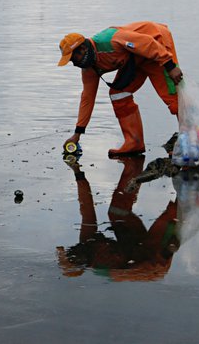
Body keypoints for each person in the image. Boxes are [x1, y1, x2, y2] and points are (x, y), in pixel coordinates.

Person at [57, 22, 183, 156]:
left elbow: (147, 42)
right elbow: (87, 99)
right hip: (135, 58)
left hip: (156, 44)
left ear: (82, 49)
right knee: (118, 95)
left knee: (174, 99)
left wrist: (170, 66)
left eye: (73, 58)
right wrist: (77, 134)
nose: (74, 63)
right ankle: (134, 142)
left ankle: (191, 143)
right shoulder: (89, 69)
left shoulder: (111, 41)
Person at [56, 155, 179, 281]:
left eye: (69, 252)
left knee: (117, 211)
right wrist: (168, 250)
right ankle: (187, 181)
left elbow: (86, 207)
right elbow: (151, 271)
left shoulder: (87, 242)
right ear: (81, 263)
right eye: (71, 256)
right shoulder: (109, 270)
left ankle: (133, 170)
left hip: (130, 247)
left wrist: (77, 173)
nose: (72, 250)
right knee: (174, 216)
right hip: (153, 259)